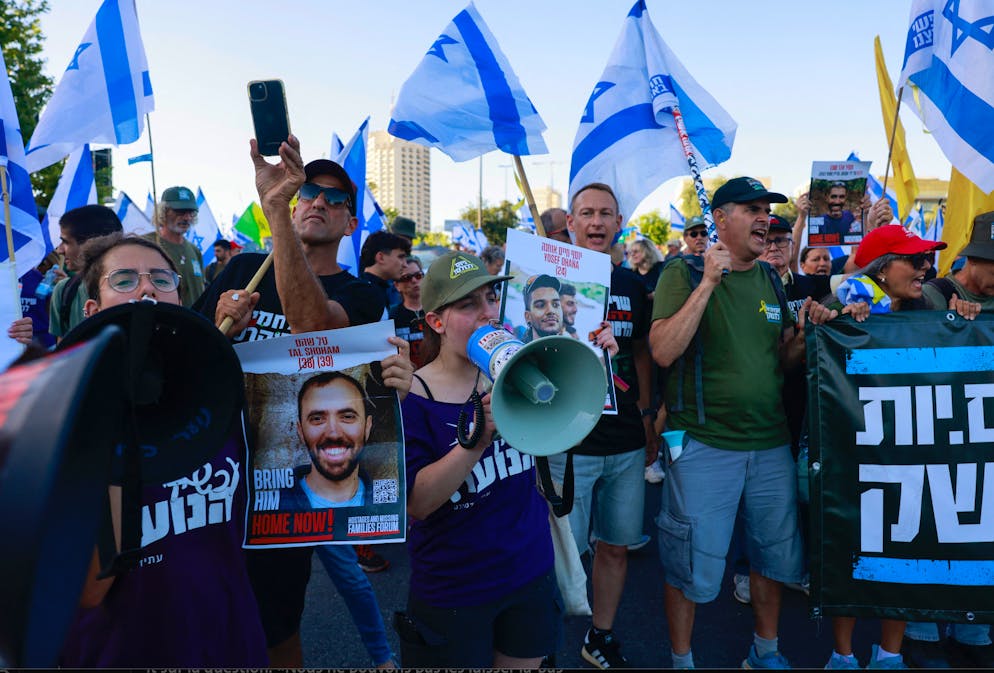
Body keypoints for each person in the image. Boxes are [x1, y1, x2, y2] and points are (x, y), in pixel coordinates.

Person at [198, 136, 412, 668]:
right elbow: (190, 361)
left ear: (350, 222)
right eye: (309, 192)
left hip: (282, 491)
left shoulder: (363, 294)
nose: (318, 201)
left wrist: (275, 213)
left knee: (276, 630)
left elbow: (312, 326)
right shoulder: (243, 269)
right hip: (211, 478)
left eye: (334, 198)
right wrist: (216, 324)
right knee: (201, 618)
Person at [59, 232, 267, 668]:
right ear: (92, 309)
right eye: (123, 280)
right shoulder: (64, 417)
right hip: (122, 651)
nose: (147, 287)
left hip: (229, 640)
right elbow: (88, 590)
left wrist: (385, 403)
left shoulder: (218, 388)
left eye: (161, 278)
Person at [650, 176, 833, 669]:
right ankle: (682, 660)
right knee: (688, 565)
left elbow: (780, 360)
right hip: (705, 444)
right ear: (720, 219)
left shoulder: (772, 278)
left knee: (772, 560)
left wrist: (803, 336)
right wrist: (709, 282)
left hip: (771, 443)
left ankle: (765, 652)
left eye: (766, 210)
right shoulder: (683, 272)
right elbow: (663, 350)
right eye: (750, 209)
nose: (763, 218)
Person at [827, 223, 979, 670]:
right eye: (913, 261)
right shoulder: (844, 305)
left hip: (909, 451)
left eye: (926, 260)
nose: (925, 267)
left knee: (902, 544)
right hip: (851, 449)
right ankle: (842, 656)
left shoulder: (931, 306)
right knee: (849, 544)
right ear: (881, 267)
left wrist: (964, 321)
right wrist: (823, 323)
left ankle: (890, 656)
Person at [399, 251, 559, 668]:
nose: (488, 312)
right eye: (468, 305)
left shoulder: (515, 372)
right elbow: (417, 502)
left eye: (490, 298)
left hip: (529, 570)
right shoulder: (411, 397)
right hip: (456, 589)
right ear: (436, 322)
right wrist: (475, 440)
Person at [547, 182, 656, 669]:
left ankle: (601, 635)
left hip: (627, 442)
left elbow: (644, 355)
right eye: (586, 213)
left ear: (619, 223)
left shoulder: (633, 285)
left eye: (605, 214)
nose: (596, 222)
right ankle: (542, 646)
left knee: (615, 547)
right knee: (562, 555)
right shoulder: (547, 281)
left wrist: (650, 416)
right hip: (567, 443)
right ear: (570, 223)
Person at [279, 372, 376, 510]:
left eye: (347, 417)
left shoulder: (390, 503)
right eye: (317, 419)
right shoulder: (273, 504)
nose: (334, 433)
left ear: (367, 427)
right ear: (300, 431)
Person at [49, 204, 124, 340]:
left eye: (65, 242)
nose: (59, 250)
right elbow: (62, 353)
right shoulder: (64, 291)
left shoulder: (137, 290)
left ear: (90, 243)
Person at [144, 186, 205, 306]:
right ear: (163, 212)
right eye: (180, 211)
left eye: (190, 212)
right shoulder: (146, 245)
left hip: (195, 321)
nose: (187, 218)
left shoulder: (194, 250)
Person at [359, 230, 411, 313]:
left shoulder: (375, 289)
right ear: (381, 257)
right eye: (401, 257)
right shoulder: (362, 293)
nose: (405, 265)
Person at [390, 257, 427, 368]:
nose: (414, 281)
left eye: (418, 275)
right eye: (406, 278)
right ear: (397, 285)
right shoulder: (392, 316)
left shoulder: (437, 311)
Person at [522, 274, 563, 342]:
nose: (551, 310)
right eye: (541, 305)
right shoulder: (518, 351)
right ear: (528, 317)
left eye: (555, 305)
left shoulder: (573, 351)